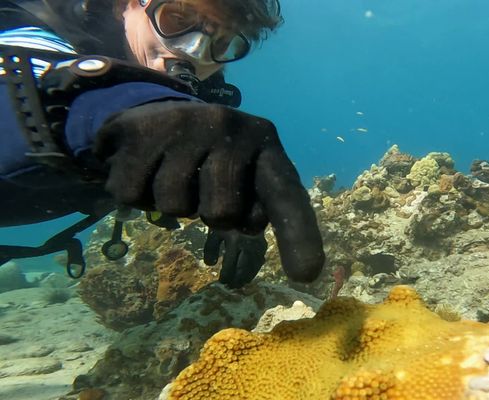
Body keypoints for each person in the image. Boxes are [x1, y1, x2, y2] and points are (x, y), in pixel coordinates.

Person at [0, 0, 325, 288]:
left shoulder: (200, 87)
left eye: (222, 41)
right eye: (178, 19)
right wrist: (130, 110)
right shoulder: (30, 19)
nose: (194, 51)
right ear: (124, 5)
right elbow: (23, 90)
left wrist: (222, 191)